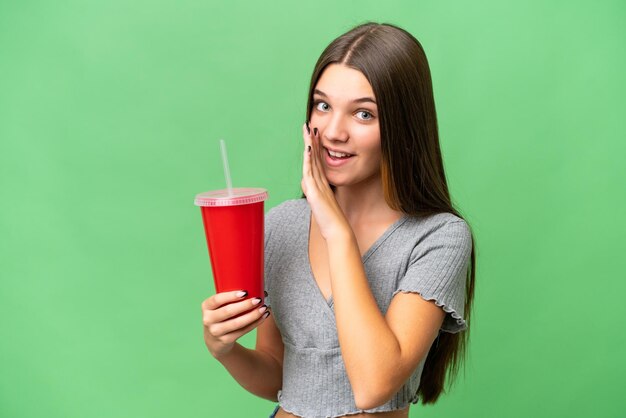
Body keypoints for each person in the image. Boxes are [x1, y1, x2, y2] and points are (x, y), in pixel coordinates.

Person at [201, 22, 476, 418]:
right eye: (323, 105)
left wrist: (337, 234)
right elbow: (280, 376)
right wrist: (224, 350)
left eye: (363, 114)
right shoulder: (281, 226)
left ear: (403, 126)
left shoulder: (438, 238)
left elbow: (374, 385)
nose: (332, 131)